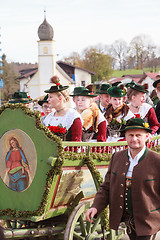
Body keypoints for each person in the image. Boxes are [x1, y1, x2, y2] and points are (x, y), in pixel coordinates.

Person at [85, 117, 160, 239]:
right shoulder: (117, 157)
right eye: (130, 135)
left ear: (147, 137)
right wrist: (95, 207)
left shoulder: (157, 161)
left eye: (138, 135)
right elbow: (106, 187)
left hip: (148, 221)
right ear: (125, 136)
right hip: (126, 220)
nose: (134, 139)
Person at [43, 76, 82, 141]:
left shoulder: (73, 116)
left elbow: (76, 143)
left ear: (60, 98)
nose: (48, 99)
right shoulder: (49, 117)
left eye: (50, 97)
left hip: (68, 150)